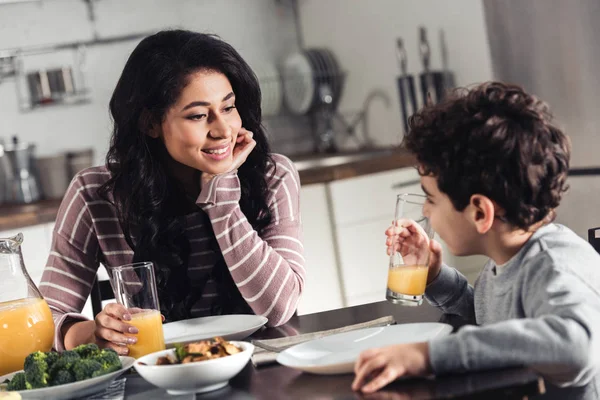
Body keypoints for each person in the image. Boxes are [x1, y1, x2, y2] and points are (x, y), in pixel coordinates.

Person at [39, 30, 305, 355]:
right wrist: (91, 332)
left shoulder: (272, 175)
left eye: (229, 107)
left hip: (264, 367)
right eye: (197, 115)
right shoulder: (95, 194)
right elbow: (44, 321)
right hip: (156, 376)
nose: (222, 130)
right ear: (150, 123)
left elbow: (279, 307)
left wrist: (220, 196)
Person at [352, 82, 600, 399]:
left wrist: (430, 355)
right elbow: (494, 324)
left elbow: (576, 346)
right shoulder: (507, 261)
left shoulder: (556, 265)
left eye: (431, 199)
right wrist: (436, 278)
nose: (425, 210)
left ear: (480, 213)